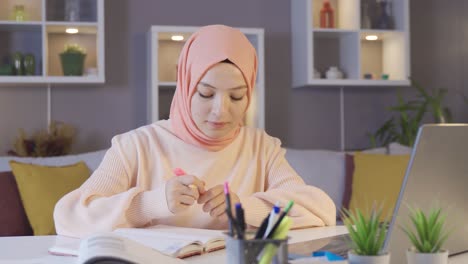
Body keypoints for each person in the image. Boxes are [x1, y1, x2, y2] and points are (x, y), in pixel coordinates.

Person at [54, 24, 336, 238]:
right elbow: (69, 217)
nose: (220, 111)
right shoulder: (136, 145)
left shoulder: (261, 148)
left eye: (237, 97)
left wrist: (245, 208)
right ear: (186, 86)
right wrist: (151, 203)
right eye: (205, 94)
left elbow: (320, 211)